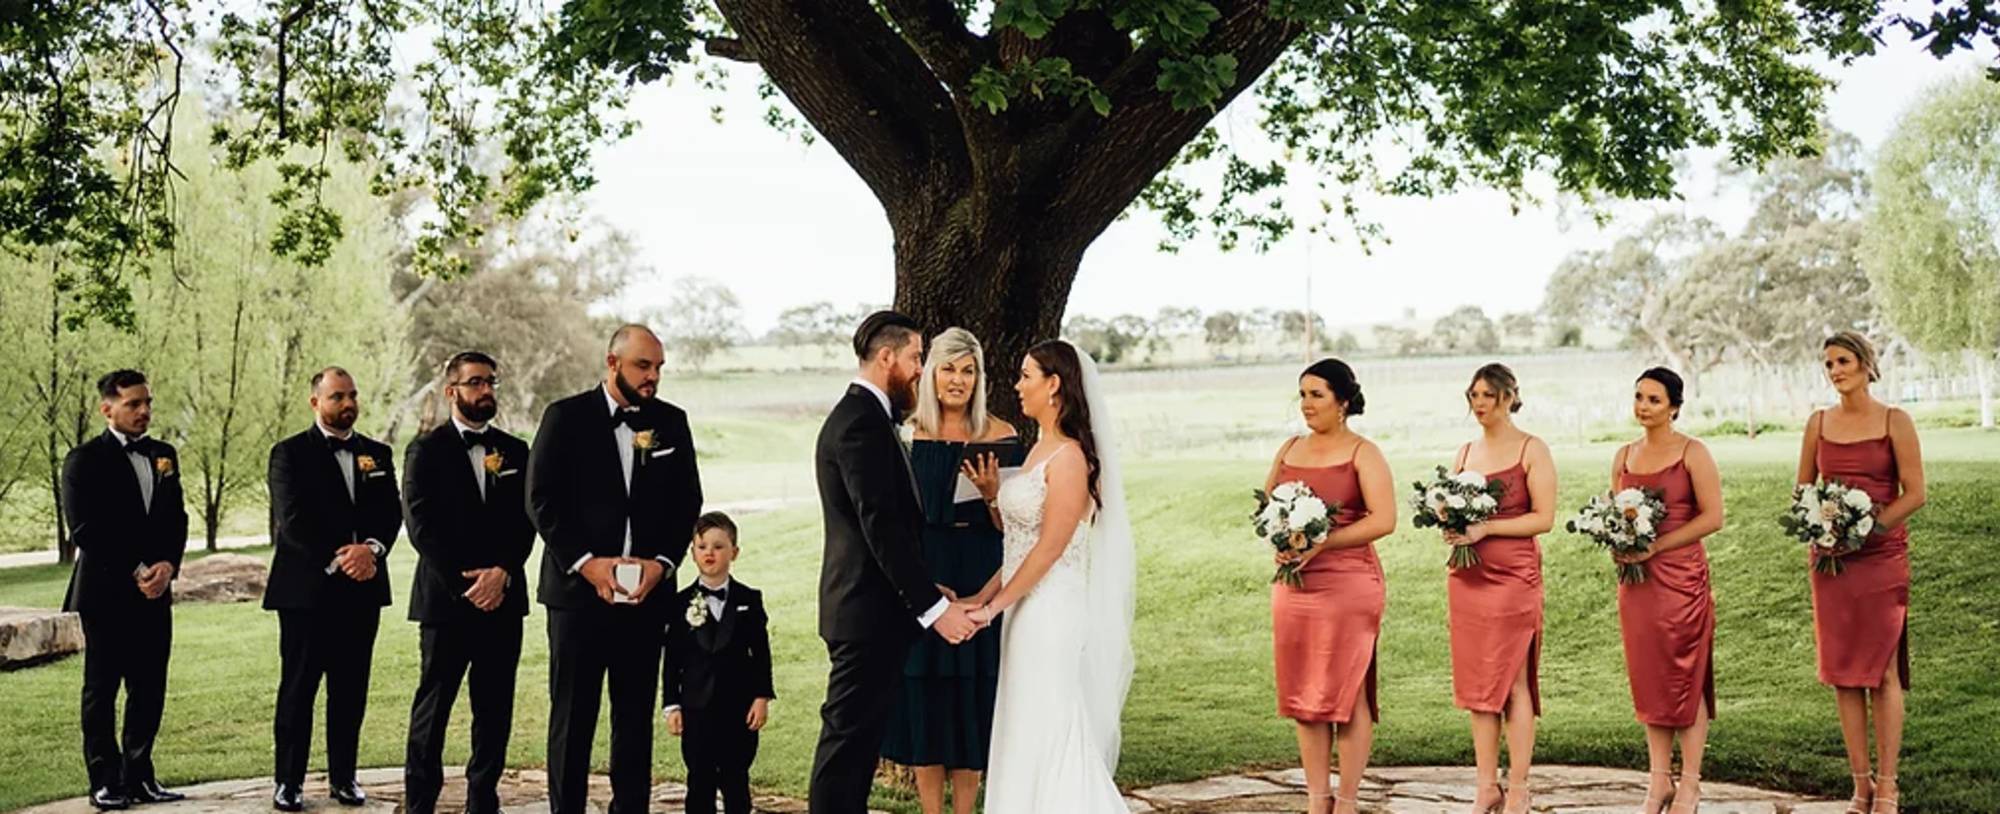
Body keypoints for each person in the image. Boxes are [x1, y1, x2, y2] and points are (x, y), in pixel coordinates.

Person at [807, 310, 980, 814]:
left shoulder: (871, 419)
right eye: (916, 358)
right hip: (864, 616)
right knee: (845, 752)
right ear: (887, 357)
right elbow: (878, 526)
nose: (921, 369)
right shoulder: (860, 423)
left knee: (857, 753)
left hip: (875, 613)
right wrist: (931, 608)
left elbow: (894, 527)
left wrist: (929, 587)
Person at [527, 324, 704, 814]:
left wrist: (663, 564)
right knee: (573, 718)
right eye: (642, 366)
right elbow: (539, 499)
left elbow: (688, 499)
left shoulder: (672, 422)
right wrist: (587, 564)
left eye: (658, 368)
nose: (652, 377)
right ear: (612, 363)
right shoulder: (564, 418)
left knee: (633, 718)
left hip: (645, 598)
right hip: (577, 597)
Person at [962, 339, 1135, 813]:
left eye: (1025, 375)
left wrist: (993, 609)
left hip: (1052, 611)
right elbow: (1020, 542)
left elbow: (1052, 546)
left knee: (1050, 724)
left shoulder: (1071, 458)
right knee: (1022, 723)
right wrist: (981, 596)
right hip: (1025, 609)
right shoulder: (1041, 447)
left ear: (1054, 384)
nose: (1017, 385)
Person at [881, 328, 1016, 814]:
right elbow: (891, 520)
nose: (957, 380)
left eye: (968, 370)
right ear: (931, 374)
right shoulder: (905, 434)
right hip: (924, 572)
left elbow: (1017, 528)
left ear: (979, 378)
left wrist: (992, 495)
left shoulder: (1001, 435)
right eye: (948, 368)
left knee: (972, 694)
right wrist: (918, 586)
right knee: (925, 695)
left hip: (982, 570)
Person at [400, 351, 536, 814]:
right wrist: (470, 586)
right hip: (445, 602)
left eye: (491, 383)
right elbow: (422, 528)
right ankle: (420, 803)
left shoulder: (515, 451)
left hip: (504, 600)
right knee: (432, 710)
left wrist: (503, 573)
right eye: (475, 383)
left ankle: (484, 800)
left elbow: (527, 523)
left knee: (495, 709)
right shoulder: (425, 450)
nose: (486, 391)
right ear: (451, 391)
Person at [1796, 331, 1924, 814]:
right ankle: (1861, 786)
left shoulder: (1896, 420)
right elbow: (1803, 490)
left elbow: (1915, 492)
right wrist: (1823, 532)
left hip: (1881, 558)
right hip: (1831, 563)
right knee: (1844, 675)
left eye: (1843, 360)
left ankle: (1889, 786)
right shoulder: (1818, 423)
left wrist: (1867, 531)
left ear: (1866, 363)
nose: (1835, 371)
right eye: (1828, 364)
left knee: (1882, 671)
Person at [265, 367, 403, 811]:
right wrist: (343, 556)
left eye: (353, 396)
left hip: (363, 592)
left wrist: (373, 550)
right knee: (299, 688)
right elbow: (293, 519)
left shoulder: (377, 454)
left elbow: (390, 514)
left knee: (350, 689)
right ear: (316, 403)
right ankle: (289, 782)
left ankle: (344, 778)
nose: (348, 405)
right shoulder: (288, 454)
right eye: (338, 396)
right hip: (306, 592)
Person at [1263, 359, 1395, 814]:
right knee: (1306, 694)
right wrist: (1281, 544)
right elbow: (1268, 510)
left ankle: (1348, 801)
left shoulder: (1364, 452)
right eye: (1302, 394)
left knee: (1348, 688)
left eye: (1316, 394)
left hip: (1349, 584)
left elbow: (1385, 519)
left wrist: (1322, 543)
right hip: (1295, 586)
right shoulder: (1288, 448)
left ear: (1343, 401)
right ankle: (1317, 799)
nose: (1306, 404)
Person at [62, 369, 189, 810]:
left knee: (149, 687)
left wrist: (168, 566)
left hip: (156, 593)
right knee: (102, 690)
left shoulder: (164, 455)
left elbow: (177, 518)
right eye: (133, 404)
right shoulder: (83, 461)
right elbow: (86, 530)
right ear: (107, 408)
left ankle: (140, 775)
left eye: (147, 402)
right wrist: (137, 569)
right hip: (106, 593)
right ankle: (104, 780)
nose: (144, 411)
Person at [1440, 363, 1556, 814]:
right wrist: (1451, 526)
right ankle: (1486, 786)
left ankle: (1520, 789)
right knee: (1478, 686)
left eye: (1488, 395)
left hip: (1513, 576)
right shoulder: (1466, 451)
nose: (1480, 403)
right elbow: (1453, 510)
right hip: (1467, 576)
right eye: (1473, 395)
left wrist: (1487, 528)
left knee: (1514, 683)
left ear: (1510, 397)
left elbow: (1542, 518)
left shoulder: (1532, 449)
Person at [1609, 368, 1723, 814]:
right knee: (1650, 680)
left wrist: (1655, 546)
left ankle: (1691, 784)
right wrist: (1619, 544)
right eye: (1638, 396)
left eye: (1654, 400)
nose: (1643, 406)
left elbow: (1712, 517)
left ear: (1674, 406)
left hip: (1681, 582)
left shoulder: (1694, 452)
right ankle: (1659, 782)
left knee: (1686, 677)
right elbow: (1615, 513)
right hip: (1636, 587)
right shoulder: (1623, 456)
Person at [661, 512, 775, 814]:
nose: (709, 553)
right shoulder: (680, 603)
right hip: (696, 706)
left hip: (738, 706)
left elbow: (761, 653)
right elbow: (672, 659)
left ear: (734, 552)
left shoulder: (749, 600)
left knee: (736, 777)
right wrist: (672, 704)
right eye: (702, 546)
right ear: (692, 553)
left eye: (718, 546)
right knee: (699, 779)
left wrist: (761, 697)